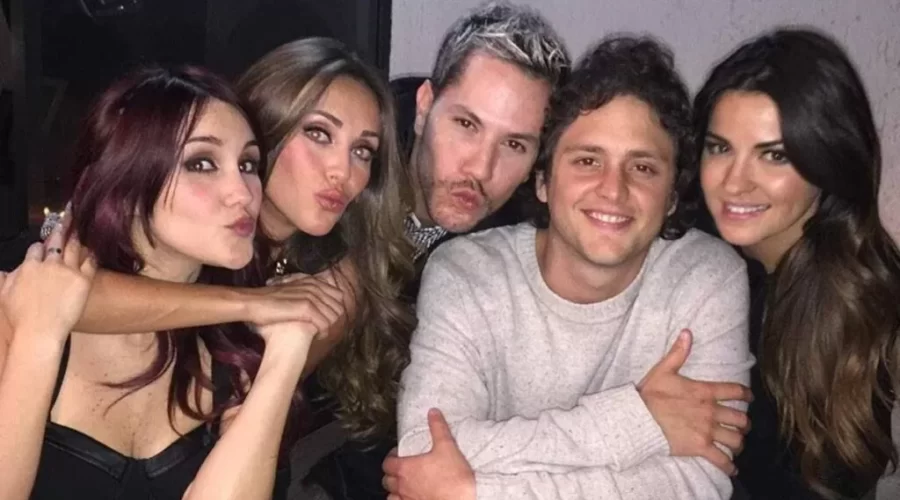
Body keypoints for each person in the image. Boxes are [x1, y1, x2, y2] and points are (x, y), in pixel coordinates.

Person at [31, 37, 416, 498]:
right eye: (318, 134)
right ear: (265, 124)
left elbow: (255, 396)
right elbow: (63, 299)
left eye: (363, 151)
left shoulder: (337, 273)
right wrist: (252, 303)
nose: (343, 171)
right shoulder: (188, 237)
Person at [386, 35, 755, 500]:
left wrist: (474, 493)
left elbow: (698, 483)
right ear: (543, 181)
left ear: (672, 198)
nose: (613, 190)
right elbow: (423, 451)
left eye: (642, 168)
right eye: (587, 161)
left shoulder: (707, 277)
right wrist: (639, 419)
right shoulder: (465, 273)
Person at [0, 66, 340, 499]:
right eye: (202, 163)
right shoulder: (21, 300)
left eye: (248, 164)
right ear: (129, 179)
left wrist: (286, 353)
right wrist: (38, 338)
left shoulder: (232, 350)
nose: (243, 192)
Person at [694, 28, 900, 499]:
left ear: (827, 162)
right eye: (720, 147)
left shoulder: (858, 300)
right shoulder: (696, 253)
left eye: (774, 155)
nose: (734, 183)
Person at [399, 0, 569, 294]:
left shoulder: (522, 253)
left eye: (513, 144)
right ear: (424, 106)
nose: (481, 169)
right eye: (466, 125)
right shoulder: (345, 166)